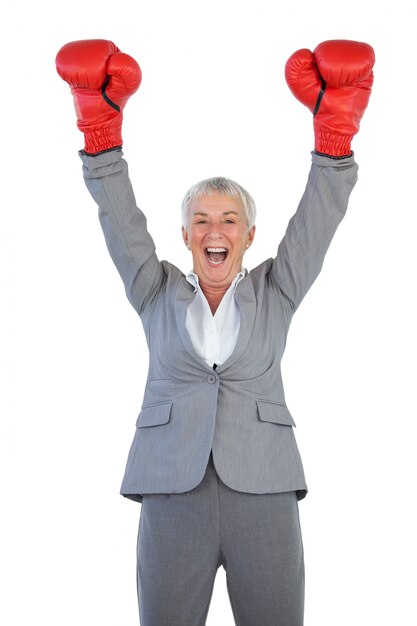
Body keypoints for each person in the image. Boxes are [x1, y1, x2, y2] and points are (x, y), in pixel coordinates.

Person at [56, 38, 374, 626]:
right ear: (186, 237)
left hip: (265, 486)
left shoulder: (275, 291)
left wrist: (335, 137)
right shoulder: (156, 290)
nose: (214, 229)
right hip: (172, 487)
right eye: (200, 220)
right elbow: (120, 221)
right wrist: (101, 134)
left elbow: (317, 223)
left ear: (249, 236)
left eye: (229, 219)